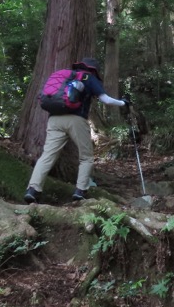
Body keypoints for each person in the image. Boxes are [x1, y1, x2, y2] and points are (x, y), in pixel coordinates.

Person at [24, 58, 130, 203]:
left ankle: (33, 189)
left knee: (47, 156)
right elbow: (106, 100)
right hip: (76, 120)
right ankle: (80, 191)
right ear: (93, 70)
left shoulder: (64, 76)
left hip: (54, 119)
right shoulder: (89, 78)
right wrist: (123, 103)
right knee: (86, 157)